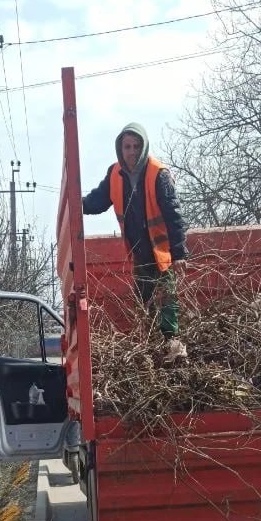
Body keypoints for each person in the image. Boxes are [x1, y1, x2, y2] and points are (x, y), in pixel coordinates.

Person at [83, 122, 189, 363]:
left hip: (161, 252)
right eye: (127, 146)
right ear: (120, 149)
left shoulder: (158, 174)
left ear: (144, 147)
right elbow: (98, 201)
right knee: (144, 303)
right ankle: (151, 349)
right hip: (139, 252)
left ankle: (173, 347)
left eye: (136, 146)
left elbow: (174, 215)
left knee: (167, 300)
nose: (131, 152)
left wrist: (179, 253)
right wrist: (77, 205)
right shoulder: (115, 174)